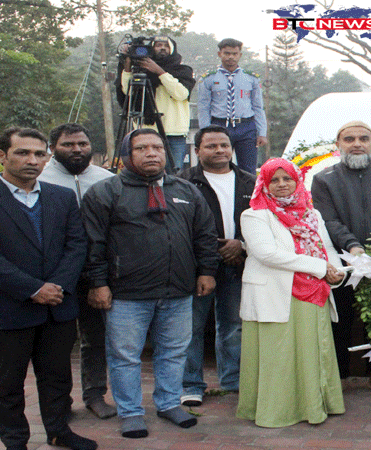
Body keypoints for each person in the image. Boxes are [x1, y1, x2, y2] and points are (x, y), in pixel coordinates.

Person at [82, 129, 219, 438]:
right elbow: (93, 243)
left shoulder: (186, 189)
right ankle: (130, 412)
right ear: (127, 155)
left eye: (157, 147)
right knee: (125, 356)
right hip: (127, 295)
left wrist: (207, 271)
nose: (152, 153)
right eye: (141, 148)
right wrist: (97, 283)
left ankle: (169, 403)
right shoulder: (106, 192)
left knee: (173, 352)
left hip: (179, 292)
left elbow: (204, 235)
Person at [0, 127, 96, 450]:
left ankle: (59, 430)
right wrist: (32, 289)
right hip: (5, 308)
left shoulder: (61, 197)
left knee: (57, 378)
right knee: (7, 383)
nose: (33, 160)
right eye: (23, 153)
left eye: (40, 154)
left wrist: (56, 287)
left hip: (56, 306)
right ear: (2, 156)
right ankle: (15, 440)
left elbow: (76, 244)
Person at [236, 158, 346, 427]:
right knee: (279, 354)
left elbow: (326, 246)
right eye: (275, 180)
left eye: (288, 179)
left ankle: (314, 404)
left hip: (313, 292)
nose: (282, 184)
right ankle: (277, 411)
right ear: (265, 184)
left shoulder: (312, 214)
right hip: (274, 293)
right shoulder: (254, 214)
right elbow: (267, 254)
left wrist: (337, 270)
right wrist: (321, 267)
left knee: (311, 351)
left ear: (297, 181)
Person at [310, 120, 371, 398]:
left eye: (363, 138)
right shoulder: (324, 180)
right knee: (340, 321)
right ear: (338, 145)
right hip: (343, 263)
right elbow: (328, 221)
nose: (357, 143)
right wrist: (353, 249)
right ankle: (339, 377)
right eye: (349, 138)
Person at [38, 123, 117, 419]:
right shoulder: (41, 179)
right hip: (53, 275)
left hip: (96, 274)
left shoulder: (108, 180)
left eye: (82, 144)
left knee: (95, 339)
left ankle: (95, 395)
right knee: (54, 344)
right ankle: (57, 402)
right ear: (53, 147)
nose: (77, 150)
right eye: (68, 144)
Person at [178, 126, 255, 406]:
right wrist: (216, 251)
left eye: (224, 145)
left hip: (239, 264)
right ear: (197, 150)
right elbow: (179, 227)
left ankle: (232, 382)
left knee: (233, 325)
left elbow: (265, 220)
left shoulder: (251, 182)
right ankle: (190, 385)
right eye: (211, 146)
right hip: (197, 268)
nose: (220, 150)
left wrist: (241, 243)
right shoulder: (182, 182)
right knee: (191, 327)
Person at [116, 35, 195, 171]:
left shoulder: (183, 71)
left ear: (172, 49)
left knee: (174, 175)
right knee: (145, 172)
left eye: (166, 45)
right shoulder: (141, 70)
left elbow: (181, 94)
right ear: (151, 48)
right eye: (158, 45)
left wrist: (159, 72)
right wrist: (127, 67)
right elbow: (129, 92)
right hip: (147, 131)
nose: (162, 48)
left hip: (174, 133)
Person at [197, 38, 268, 173]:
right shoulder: (209, 78)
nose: (230, 57)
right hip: (220, 125)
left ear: (240, 55)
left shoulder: (251, 78)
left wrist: (262, 132)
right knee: (219, 166)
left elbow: (258, 106)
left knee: (248, 170)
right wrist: (205, 132)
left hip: (246, 126)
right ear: (220, 54)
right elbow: (203, 107)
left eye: (234, 54)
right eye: (227, 53)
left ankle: (247, 194)